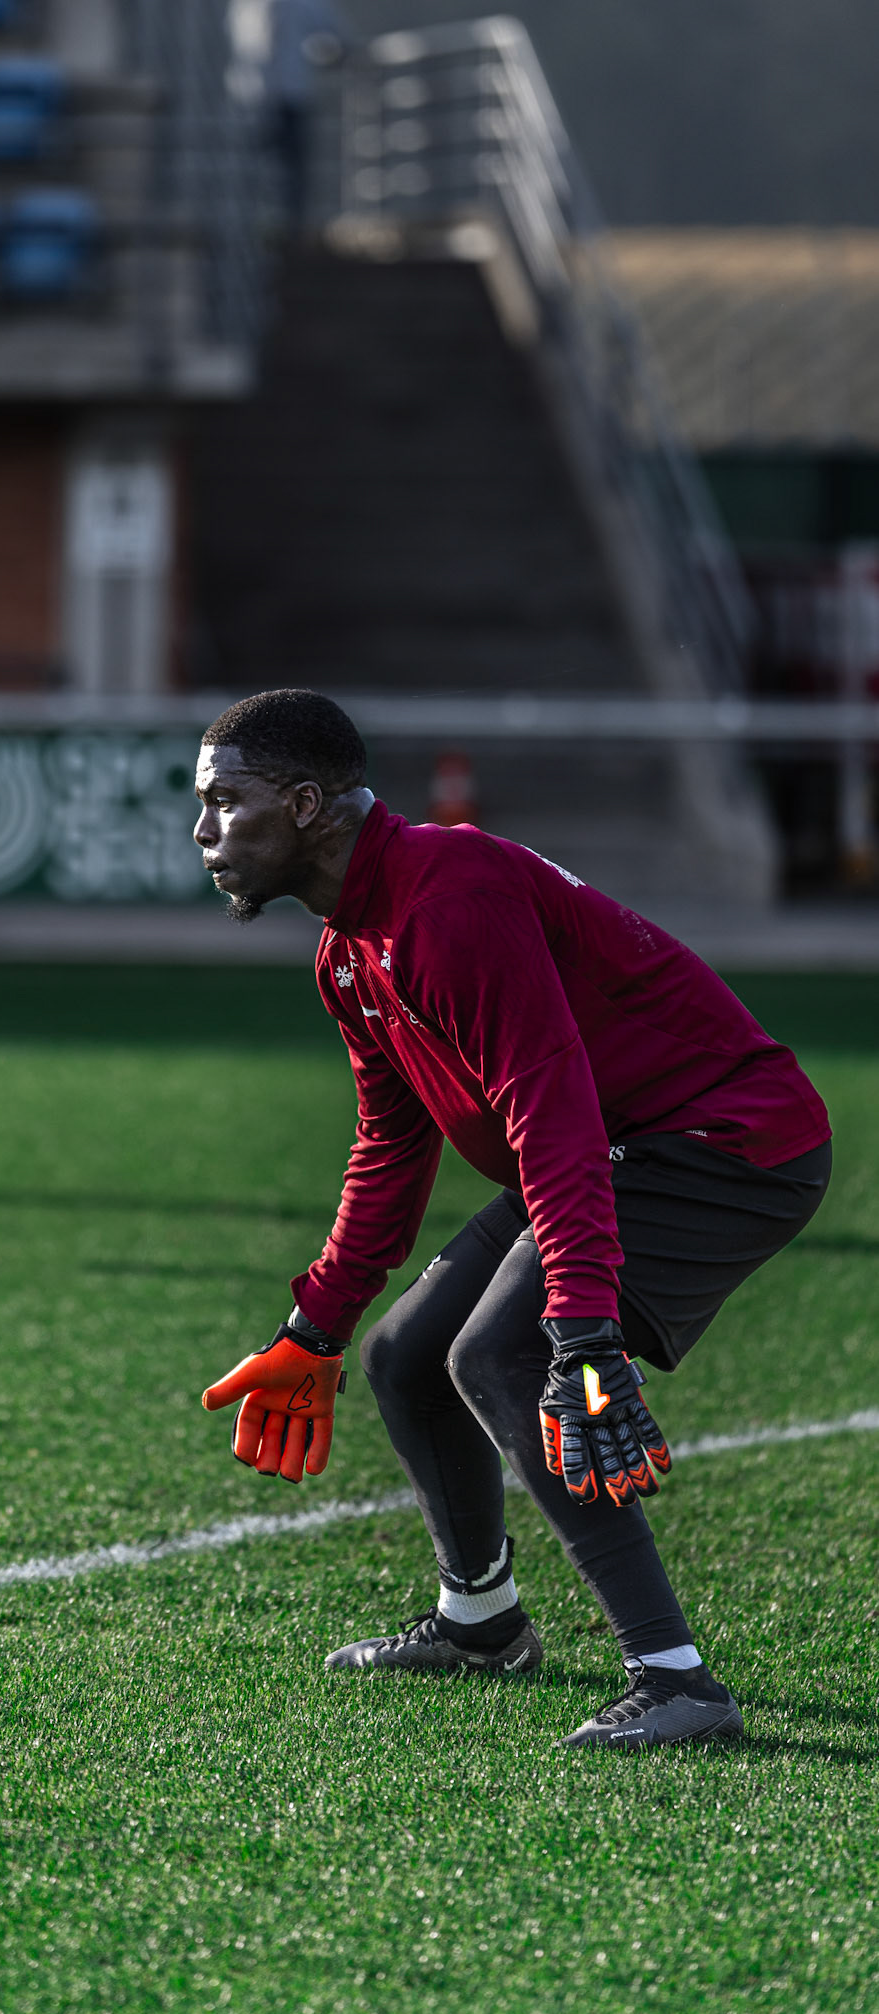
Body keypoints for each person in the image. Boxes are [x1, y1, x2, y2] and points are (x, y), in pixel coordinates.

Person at [194, 689, 831, 1750]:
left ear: (305, 804)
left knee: (503, 1348)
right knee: (406, 1355)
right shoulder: (348, 954)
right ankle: (480, 1621)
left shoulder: (449, 898)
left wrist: (579, 1331)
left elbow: (553, 1107)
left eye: (224, 802)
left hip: (729, 1145)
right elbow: (393, 1147)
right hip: (617, 1140)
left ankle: (676, 1678)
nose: (204, 831)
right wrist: (318, 1326)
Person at [260, 0, 353, 230]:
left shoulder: (307, 4)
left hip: (290, 98)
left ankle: (288, 231)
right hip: (254, 101)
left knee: (290, 173)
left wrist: (321, 50)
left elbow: (338, 42)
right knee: (264, 171)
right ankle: (268, 227)